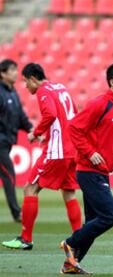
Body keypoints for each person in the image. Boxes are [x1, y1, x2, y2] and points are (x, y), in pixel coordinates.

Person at [60, 63, 113, 274]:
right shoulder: (99, 103)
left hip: (101, 171)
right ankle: (70, 242)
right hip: (89, 171)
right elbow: (74, 128)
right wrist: (89, 152)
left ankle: (72, 263)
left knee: (93, 221)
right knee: (110, 217)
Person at [2, 63, 82, 250]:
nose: (25, 87)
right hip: (72, 149)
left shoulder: (43, 91)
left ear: (32, 78)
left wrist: (35, 132)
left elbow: (51, 114)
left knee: (30, 188)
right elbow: (72, 116)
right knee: (69, 192)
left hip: (57, 151)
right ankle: (80, 239)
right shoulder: (61, 87)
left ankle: (25, 239)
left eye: (25, 82)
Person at [0, 59, 33, 222]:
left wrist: (33, 130)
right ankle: (17, 213)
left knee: (8, 175)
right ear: (3, 73)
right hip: (1, 143)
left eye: (15, 70)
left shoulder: (13, 92)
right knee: (9, 175)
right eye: (12, 70)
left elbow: (21, 117)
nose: (15, 73)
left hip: (6, 141)